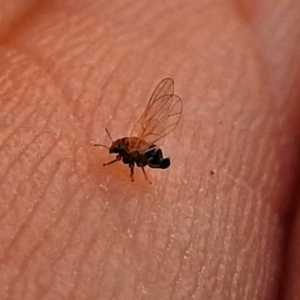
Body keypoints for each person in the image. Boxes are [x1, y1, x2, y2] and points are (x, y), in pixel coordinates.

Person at [0, 1, 299, 299]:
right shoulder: (132, 145)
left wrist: (132, 173)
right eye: (116, 148)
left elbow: (136, 157)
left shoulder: (133, 150)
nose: (115, 150)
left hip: (153, 158)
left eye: (116, 149)